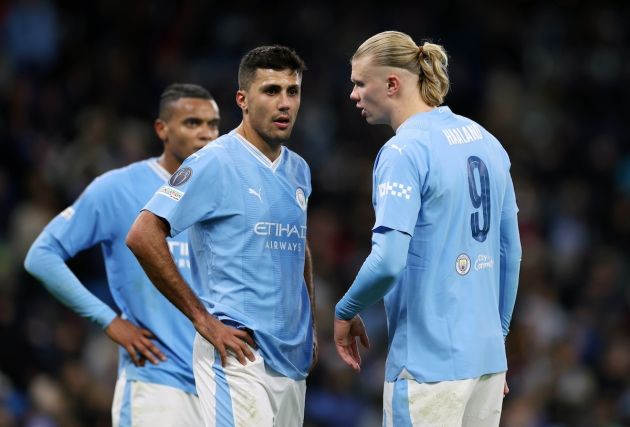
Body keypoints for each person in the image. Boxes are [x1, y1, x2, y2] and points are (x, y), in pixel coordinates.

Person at [333, 31, 522, 426]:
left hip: (428, 366)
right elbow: (511, 254)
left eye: (358, 83)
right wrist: (497, 340)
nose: (353, 94)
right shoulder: (488, 141)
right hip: (486, 363)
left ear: (391, 83)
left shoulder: (403, 151)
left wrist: (345, 309)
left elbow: (387, 263)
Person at [126, 45, 315, 426]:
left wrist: (310, 322)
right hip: (238, 356)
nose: (284, 103)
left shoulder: (299, 170)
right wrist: (202, 319)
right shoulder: (214, 160)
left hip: (292, 362)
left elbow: (299, 246)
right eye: (271, 90)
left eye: (292, 91)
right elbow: (143, 234)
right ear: (242, 99)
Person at [24, 83, 221, 426]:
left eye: (213, 125)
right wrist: (109, 320)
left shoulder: (224, 195)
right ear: (162, 129)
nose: (206, 133)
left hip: (221, 388)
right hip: (157, 384)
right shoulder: (117, 188)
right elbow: (41, 255)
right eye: (193, 123)